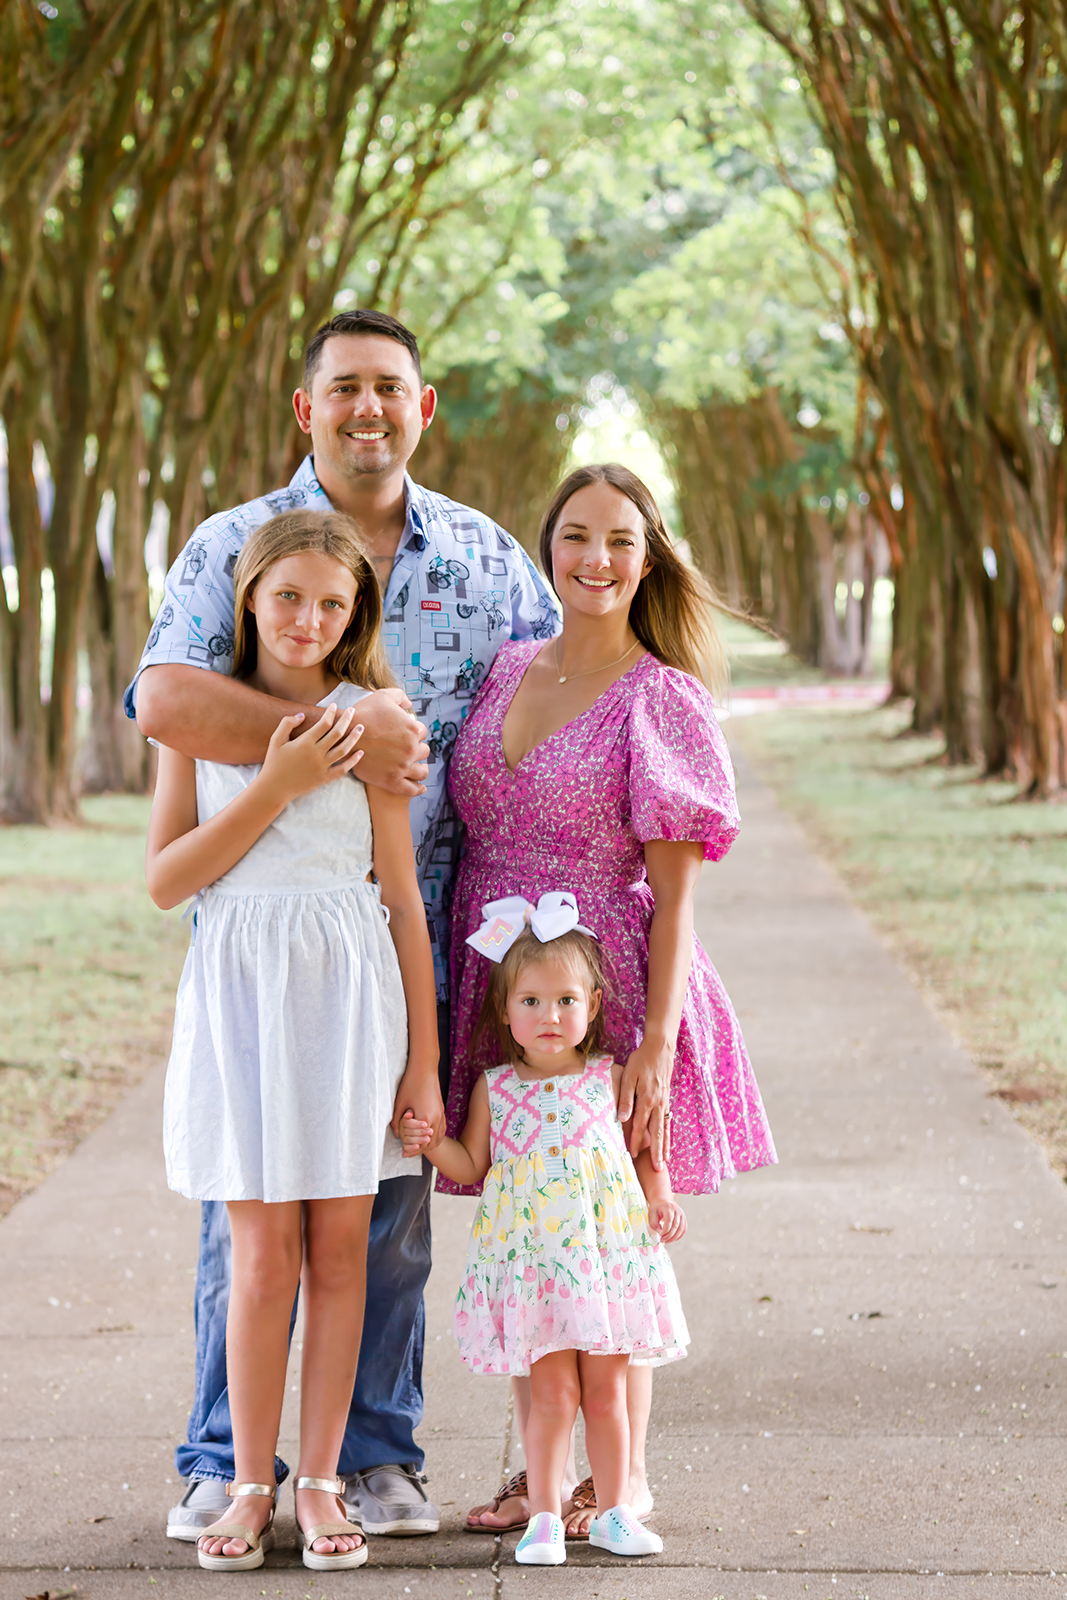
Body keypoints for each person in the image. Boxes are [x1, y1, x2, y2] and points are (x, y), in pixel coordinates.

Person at [127, 309, 558, 1543]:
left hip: (410, 935)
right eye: (343, 390)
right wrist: (338, 740)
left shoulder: (486, 561)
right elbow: (161, 697)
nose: (367, 409)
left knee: (383, 1224)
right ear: (304, 408)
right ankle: (228, 1457)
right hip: (263, 936)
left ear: (425, 408)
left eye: (391, 390)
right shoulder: (232, 546)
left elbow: (542, 709)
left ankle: (366, 1460)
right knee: (246, 1221)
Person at [444, 462, 778, 1536]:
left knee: (612, 1242)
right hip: (497, 982)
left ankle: (617, 1483)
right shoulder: (500, 668)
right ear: (547, 547)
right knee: (527, 1240)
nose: (595, 558)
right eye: (576, 536)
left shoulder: (659, 694)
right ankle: (540, 1481)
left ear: (647, 559)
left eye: (620, 541)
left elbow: (674, 894)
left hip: (613, 987)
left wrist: (655, 1046)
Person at [148, 510, 443, 1571]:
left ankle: (321, 1483)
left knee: (339, 1250)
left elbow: (402, 902)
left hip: (349, 1000)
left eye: (332, 602)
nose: (307, 619)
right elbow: (166, 879)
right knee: (260, 1256)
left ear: (355, 611)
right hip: (241, 999)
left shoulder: (374, 721)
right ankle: (245, 1484)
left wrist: (420, 1061)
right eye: (287, 598)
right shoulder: (193, 720)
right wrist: (273, 781)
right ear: (247, 602)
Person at [401, 906, 688, 1566]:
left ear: (592, 1004)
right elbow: (472, 1166)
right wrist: (431, 1142)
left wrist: (661, 1196)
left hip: (606, 1261)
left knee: (606, 1395)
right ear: (505, 1011)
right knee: (552, 1397)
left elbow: (643, 1151)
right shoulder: (495, 1090)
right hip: (537, 1272)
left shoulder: (608, 1079)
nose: (549, 1015)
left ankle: (615, 1513)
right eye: (531, 1000)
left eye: (565, 1000)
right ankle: (545, 1520)